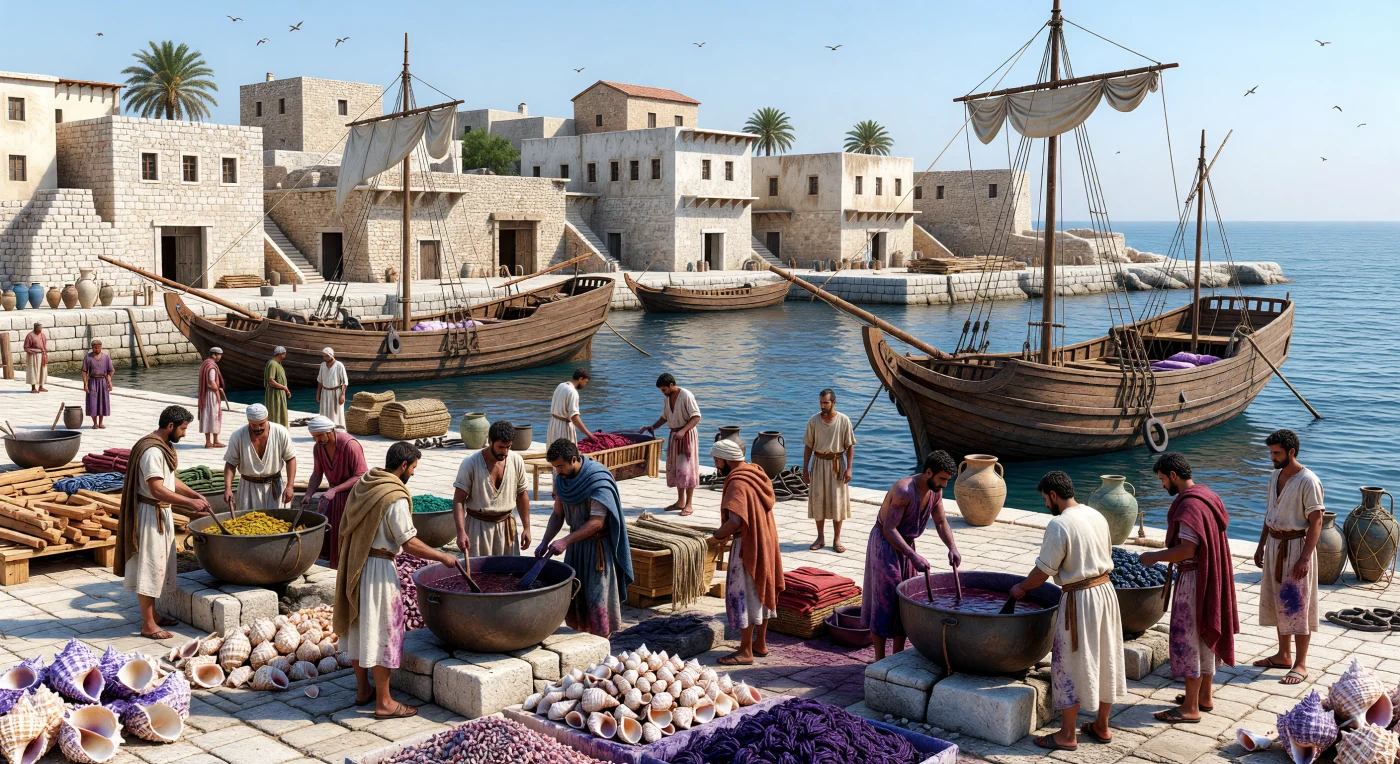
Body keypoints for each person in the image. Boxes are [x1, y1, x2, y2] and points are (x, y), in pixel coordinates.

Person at [334, 441, 457, 719]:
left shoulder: (365, 484)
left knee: (359, 626)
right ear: (403, 465)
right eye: (413, 468)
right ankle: (385, 702)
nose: (413, 473)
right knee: (382, 632)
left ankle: (362, 690)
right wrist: (442, 557)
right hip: (379, 570)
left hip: (357, 564)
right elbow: (409, 542)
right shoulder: (394, 497)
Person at [1010, 471, 1124, 752]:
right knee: (1105, 655)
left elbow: (1043, 572)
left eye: (1045, 499)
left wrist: (1021, 588)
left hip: (1079, 599)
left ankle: (1067, 735)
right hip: (1106, 593)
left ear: (1053, 495)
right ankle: (1102, 726)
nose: (1046, 504)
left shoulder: (1058, 525)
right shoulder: (1095, 515)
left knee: (1069, 662)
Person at [1139, 453, 1238, 723]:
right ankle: (1204, 696)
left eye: (1162, 479)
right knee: (1204, 634)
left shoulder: (1189, 506)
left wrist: (1155, 556)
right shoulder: (1209, 496)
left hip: (1194, 580)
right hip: (1210, 577)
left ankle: (1190, 708)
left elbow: (1187, 549)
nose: (1162, 486)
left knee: (1189, 638)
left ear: (1173, 475)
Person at [115, 405, 211, 639]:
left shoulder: (161, 447)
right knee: (149, 568)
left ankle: (154, 615)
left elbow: (169, 479)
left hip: (160, 513)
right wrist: (190, 505)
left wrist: (193, 494)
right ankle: (148, 625)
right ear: (170, 426)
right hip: (150, 516)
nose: (185, 433)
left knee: (158, 567)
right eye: (184, 428)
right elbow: (157, 489)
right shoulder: (152, 452)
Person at [862, 450, 962, 661]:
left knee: (905, 600)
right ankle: (879, 661)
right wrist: (913, 556)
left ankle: (896, 657)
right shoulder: (904, 490)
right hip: (884, 544)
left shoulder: (936, 492)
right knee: (884, 600)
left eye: (947, 480)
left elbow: (942, 522)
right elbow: (889, 529)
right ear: (928, 472)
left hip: (906, 544)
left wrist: (952, 547)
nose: (945, 484)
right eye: (942, 478)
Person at [536, 439, 633, 637]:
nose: (558, 471)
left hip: (598, 550)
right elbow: (557, 515)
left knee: (597, 599)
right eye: (555, 467)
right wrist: (545, 541)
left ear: (574, 459)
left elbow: (597, 522)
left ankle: (603, 640)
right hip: (576, 548)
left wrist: (565, 541)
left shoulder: (597, 480)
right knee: (576, 597)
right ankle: (581, 637)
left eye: (561, 466)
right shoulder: (562, 480)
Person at [1252, 429, 1325, 685]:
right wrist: (1261, 545)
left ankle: (1301, 663)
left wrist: (1305, 558)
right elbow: (1269, 512)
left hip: (1295, 546)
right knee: (1277, 599)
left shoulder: (1308, 481)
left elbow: (1316, 522)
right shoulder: (1274, 476)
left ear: (1291, 452)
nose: (1272, 457)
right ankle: (1283, 655)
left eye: (1277, 453)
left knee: (1298, 604)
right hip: (1274, 544)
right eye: (1271, 452)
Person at [710, 439, 783, 667]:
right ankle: (760, 644)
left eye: (717, 460)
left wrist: (716, 537)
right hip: (767, 538)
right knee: (761, 589)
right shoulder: (756, 473)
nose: (715, 465)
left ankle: (745, 651)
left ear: (726, 459)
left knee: (743, 593)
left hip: (748, 543)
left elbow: (735, 522)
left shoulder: (737, 483)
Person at [452, 421, 531, 558]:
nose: (505, 452)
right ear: (489, 441)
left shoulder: (516, 460)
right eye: (501, 447)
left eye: (509, 447)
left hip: (506, 527)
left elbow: (522, 495)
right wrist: (461, 532)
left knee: (508, 573)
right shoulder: (471, 463)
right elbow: (458, 500)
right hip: (478, 528)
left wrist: (527, 528)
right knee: (479, 575)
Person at [303, 416, 368, 567]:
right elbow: (317, 474)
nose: (317, 440)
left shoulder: (350, 445)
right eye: (314, 437)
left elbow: (361, 475)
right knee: (331, 532)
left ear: (330, 431)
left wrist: (336, 490)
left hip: (353, 496)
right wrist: (308, 494)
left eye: (319, 436)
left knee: (347, 534)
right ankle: (334, 565)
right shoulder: (318, 448)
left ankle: (350, 566)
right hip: (334, 496)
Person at [803, 389, 855, 553]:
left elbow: (849, 445)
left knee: (837, 502)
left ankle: (837, 539)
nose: (822, 406)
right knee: (819, 500)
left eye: (825, 402)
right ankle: (820, 537)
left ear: (833, 402)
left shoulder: (844, 420)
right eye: (820, 402)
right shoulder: (813, 421)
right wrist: (805, 469)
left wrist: (849, 468)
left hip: (837, 465)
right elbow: (808, 446)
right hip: (818, 463)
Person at [642, 373, 701, 516]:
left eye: (664, 389)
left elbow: (696, 416)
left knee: (687, 469)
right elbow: (665, 417)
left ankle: (689, 504)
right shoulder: (667, 398)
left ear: (671, 385)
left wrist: (683, 431)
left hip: (687, 436)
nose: (663, 392)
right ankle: (680, 501)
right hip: (675, 435)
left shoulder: (686, 395)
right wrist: (653, 427)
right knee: (677, 469)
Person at [223, 404, 296, 511]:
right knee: (248, 523)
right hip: (248, 489)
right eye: (254, 425)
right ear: (248, 420)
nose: (258, 428)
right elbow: (230, 464)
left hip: (274, 486)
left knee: (278, 522)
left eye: (261, 424)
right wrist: (228, 488)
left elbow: (290, 459)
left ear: (267, 418)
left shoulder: (280, 432)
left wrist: (290, 486)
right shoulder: (238, 435)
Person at [547, 368, 593, 445]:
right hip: (564, 427)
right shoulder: (573, 392)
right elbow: (574, 417)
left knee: (552, 450)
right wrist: (589, 434)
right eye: (585, 382)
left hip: (553, 424)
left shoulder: (561, 385)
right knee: (565, 453)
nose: (585, 385)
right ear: (580, 379)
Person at [81, 339, 115, 429]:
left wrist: (109, 379)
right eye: (95, 348)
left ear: (101, 347)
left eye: (98, 347)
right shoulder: (88, 358)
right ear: (92, 348)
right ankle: (94, 423)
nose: (97, 349)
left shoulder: (106, 357)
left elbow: (111, 370)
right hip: (92, 382)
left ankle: (101, 423)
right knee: (93, 402)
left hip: (103, 382)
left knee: (102, 402)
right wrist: (85, 384)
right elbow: (84, 371)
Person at [198, 348, 226, 449]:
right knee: (213, 415)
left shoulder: (205, 363)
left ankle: (214, 441)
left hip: (205, 394)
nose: (220, 357)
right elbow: (211, 382)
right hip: (211, 395)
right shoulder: (211, 366)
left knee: (208, 415)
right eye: (219, 355)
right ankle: (209, 442)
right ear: (214, 355)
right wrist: (218, 389)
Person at [316, 347, 349, 428]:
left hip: (336, 392)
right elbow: (320, 381)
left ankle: (338, 429)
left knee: (337, 412)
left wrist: (342, 395)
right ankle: (325, 428)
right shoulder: (323, 365)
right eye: (324, 356)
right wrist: (318, 393)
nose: (325, 358)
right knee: (325, 412)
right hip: (325, 392)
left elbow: (344, 382)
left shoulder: (339, 365)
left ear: (331, 355)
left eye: (326, 356)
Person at [264, 347, 290, 427]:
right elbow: (271, 380)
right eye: (284, 354)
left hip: (280, 393)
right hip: (275, 394)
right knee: (275, 412)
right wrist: (284, 388)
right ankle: (275, 428)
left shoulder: (278, 364)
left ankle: (281, 427)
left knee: (281, 412)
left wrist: (286, 390)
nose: (285, 355)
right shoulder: (272, 364)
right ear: (280, 354)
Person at [23, 322, 47, 393]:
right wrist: (32, 352)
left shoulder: (43, 335)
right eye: (39, 328)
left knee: (42, 370)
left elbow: (44, 346)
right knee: (33, 370)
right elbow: (26, 347)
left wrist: (45, 354)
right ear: (35, 328)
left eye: (41, 328)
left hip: (42, 354)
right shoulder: (30, 335)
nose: (40, 329)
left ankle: (41, 386)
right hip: (33, 355)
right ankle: (33, 388)